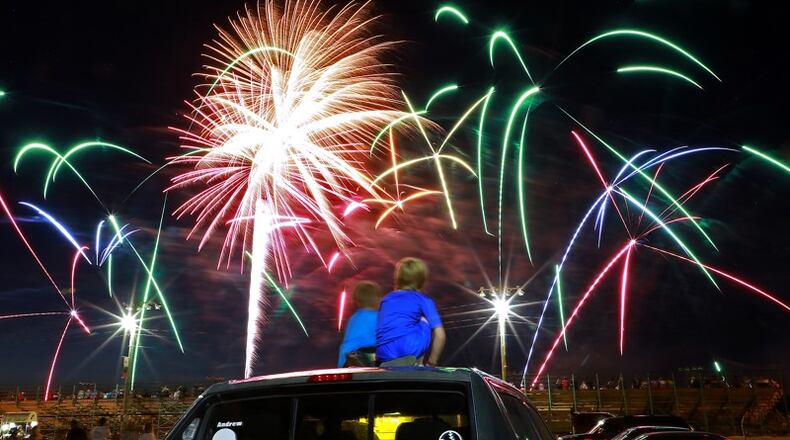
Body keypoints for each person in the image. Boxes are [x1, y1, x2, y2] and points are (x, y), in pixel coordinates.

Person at [376, 257, 446, 367]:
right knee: (424, 320)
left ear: (398, 278)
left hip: (384, 354)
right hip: (408, 350)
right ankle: (419, 362)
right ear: (421, 280)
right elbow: (440, 334)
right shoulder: (423, 300)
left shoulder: (386, 299)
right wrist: (432, 362)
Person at [337, 281, 382, 367]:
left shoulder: (353, 318)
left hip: (346, 360)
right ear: (375, 299)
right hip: (365, 359)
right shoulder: (377, 317)